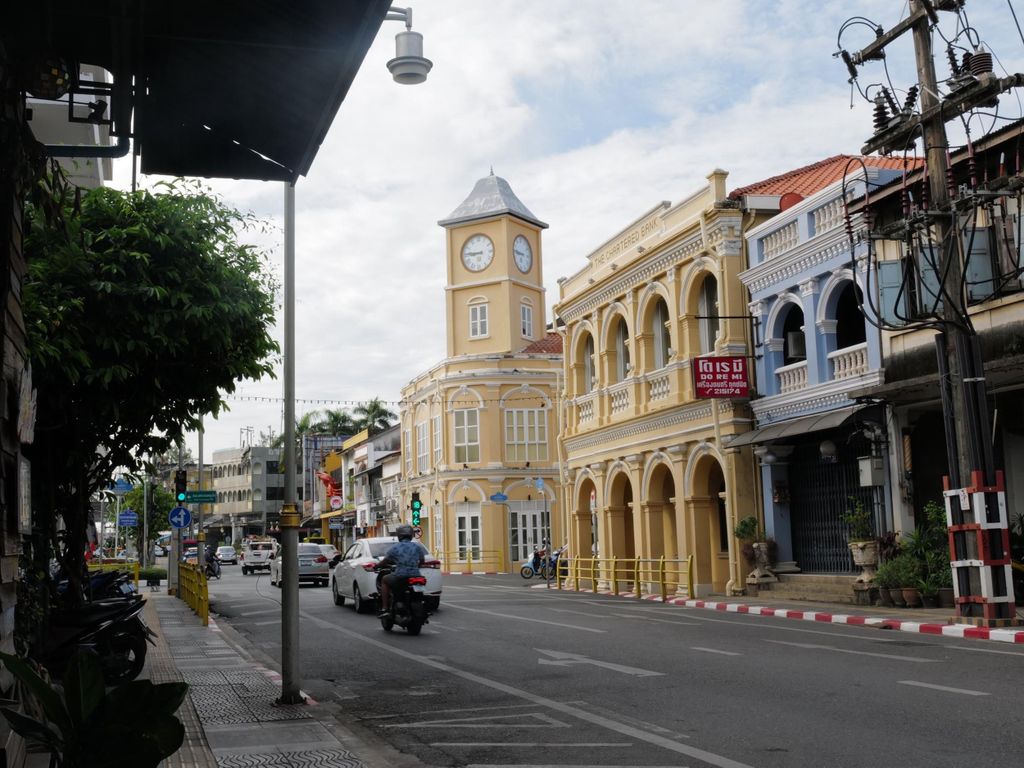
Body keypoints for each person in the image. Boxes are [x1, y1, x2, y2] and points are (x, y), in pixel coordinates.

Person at [377, 524, 424, 618]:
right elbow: (422, 561)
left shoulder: (395, 548)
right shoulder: (417, 547)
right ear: (411, 535)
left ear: (399, 535)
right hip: (416, 576)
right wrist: (415, 568)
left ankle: (385, 608)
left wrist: (377, 566)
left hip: (400, 576)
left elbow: (385, 561)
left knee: (384, 580)